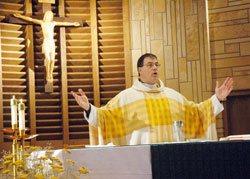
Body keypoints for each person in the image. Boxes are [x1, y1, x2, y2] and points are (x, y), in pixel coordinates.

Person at [71, 53, 233, 145]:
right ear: (140, 70)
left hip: (171, 158)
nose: (155, 67)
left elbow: (197, 113)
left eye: (156, 64)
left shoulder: (172, 96)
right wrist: (89, 108)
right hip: (140, 160)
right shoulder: (127, 97)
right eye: (150, 65)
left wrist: (216, 99)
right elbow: (105, 118)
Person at [14, 11, 80, 82]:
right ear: (45, 16)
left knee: (52, 60)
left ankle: (51, 74)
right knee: (48, 60)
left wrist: (73, 23)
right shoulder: (42, 23)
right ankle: (47, 75)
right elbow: (31, 19)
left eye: (50, 15)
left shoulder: (53, 23)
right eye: (47, 15)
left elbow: (63, 23)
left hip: (51, 42)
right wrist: (20, 16)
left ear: (51, 17)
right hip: (46, 43)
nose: (48, 17)